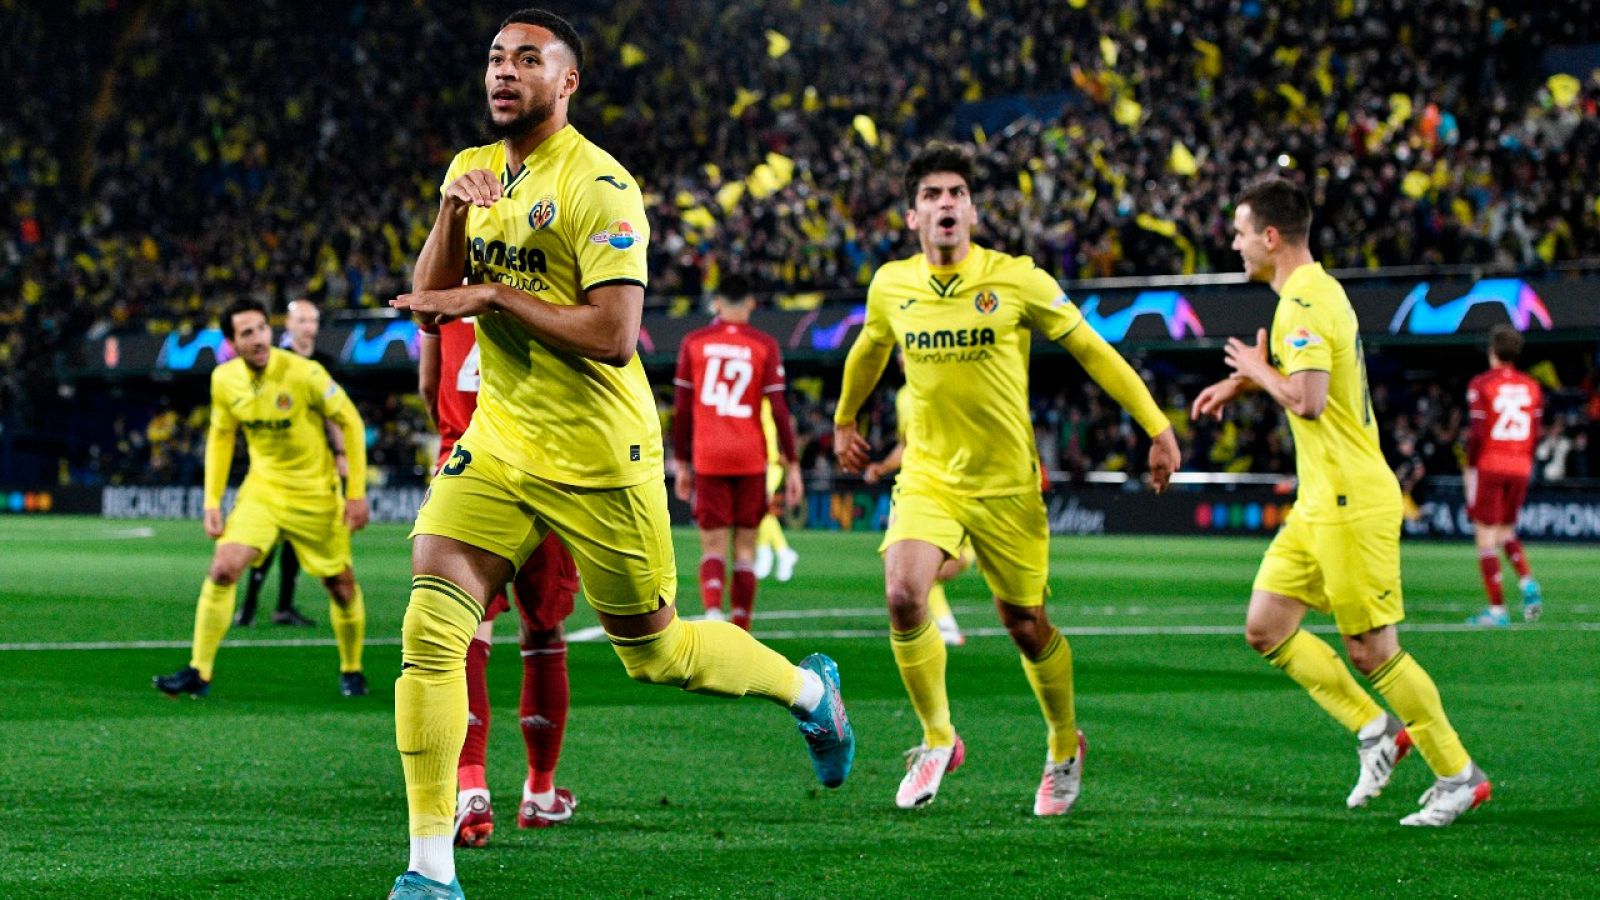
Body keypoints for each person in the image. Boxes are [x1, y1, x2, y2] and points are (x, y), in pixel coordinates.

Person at [386, 11, 853, 898]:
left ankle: (808, 693)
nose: (504, 72)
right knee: (430, 630)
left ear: (567, 84)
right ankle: (429, 870)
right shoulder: (471, 171)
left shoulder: (603, 185)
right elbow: (428, 298)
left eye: (529, 60)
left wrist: (493, 293)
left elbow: (613, 333)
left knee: (657, 652)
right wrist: (451, 215)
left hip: (601, 454)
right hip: (497, 444)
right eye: (495, 57)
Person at [833, 141, 1180, 815]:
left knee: (1025, 623)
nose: (946, 206)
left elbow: (1090, 349)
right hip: (930, 476)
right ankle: (938, 737)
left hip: (1009, 486)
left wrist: (1155, 426)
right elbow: (868, 349)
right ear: (912, 217)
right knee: (905, 593)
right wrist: (846, 419)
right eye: (932, 195)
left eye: (957, 193)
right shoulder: (891, 286)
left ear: (973, 209)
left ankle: (1061, 743)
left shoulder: (1017, 279)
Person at [1191, 176, 1490, 827]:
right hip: (1320, 499)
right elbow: (1304, 380)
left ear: (1270, 237)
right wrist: (1243, 385)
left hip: (1351, 499)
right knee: (1266, 626)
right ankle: (1374, 729)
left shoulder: (1300, 303)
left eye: (1241, 233)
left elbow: (1308, 398)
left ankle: (1458, 774)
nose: (1236, 245)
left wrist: (1257, 371)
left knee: (1372, 650)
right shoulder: (1313, 292)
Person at [153, 298, 370, 699]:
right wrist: (211, 503)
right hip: (263, 490)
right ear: (233, 341)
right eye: (246, 333)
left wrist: (355, 493)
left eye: (261, 329)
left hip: (314, 493)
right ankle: (198, 671)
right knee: (223, 568)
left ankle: (351, 667)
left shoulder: (305, 373)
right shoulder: (224, 380)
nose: (257, 339)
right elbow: (221, 437)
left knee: (340, 586)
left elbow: (351, 422)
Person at [418, 315, 581, 848]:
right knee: (543, 634)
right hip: (543, 473)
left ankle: (471, 789)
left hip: (463, 469)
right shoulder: (541, 284)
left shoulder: (442, 290)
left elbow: (427, 384)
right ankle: (539, 792)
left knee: (466, 636)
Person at [672, 274, 804, 629]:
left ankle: (714, 615)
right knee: (746, 549)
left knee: (712, 546)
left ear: (716, 303)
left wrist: (681, 461)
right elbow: (779, 410)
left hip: (709, 456)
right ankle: (742, 627)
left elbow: (682, 409)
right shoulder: (764, 345)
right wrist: (792, 464)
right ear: (750, 304)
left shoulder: (694, 343)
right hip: (750, 457)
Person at [235, 298, 343, 628]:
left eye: (313, 320)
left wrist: (341, 455)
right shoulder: (275, 362)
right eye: (302, 320)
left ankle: (283, 607)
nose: (308, 326)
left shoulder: (326, 363)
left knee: (296, 541)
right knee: (267, 539)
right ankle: (249, 605)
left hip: (314, 466)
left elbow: (334, 414)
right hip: (279, 463)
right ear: (289, 325)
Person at [864, 370, 970, 646]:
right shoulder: (903, 397)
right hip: (914, 490)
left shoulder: (957, 384)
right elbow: (906, 444)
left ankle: (937, 622)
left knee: (947, 564)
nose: (902, 356)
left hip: (957, 490)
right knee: (900, 564)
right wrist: (883, 467)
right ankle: (942, 624)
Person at [1465, 325, 1545, 626]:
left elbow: (1477, 434)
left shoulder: (1481, 384)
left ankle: (1497, 611)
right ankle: (1526, 581)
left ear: (1493, 351)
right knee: (1506, 530)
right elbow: (1535, 431)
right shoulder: (1532, 386)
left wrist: (1471, 468)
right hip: (1521, 465)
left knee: (1485, 536)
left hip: (1491, 463)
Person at [754, 399, 801, 582]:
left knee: (761, 510)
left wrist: (786, 454)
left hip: (769, 464)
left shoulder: (765, 402)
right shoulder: (761, 401)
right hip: (760, 462)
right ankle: (770, 552)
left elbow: (787, 424)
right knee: (760, 511)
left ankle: (778, 552)